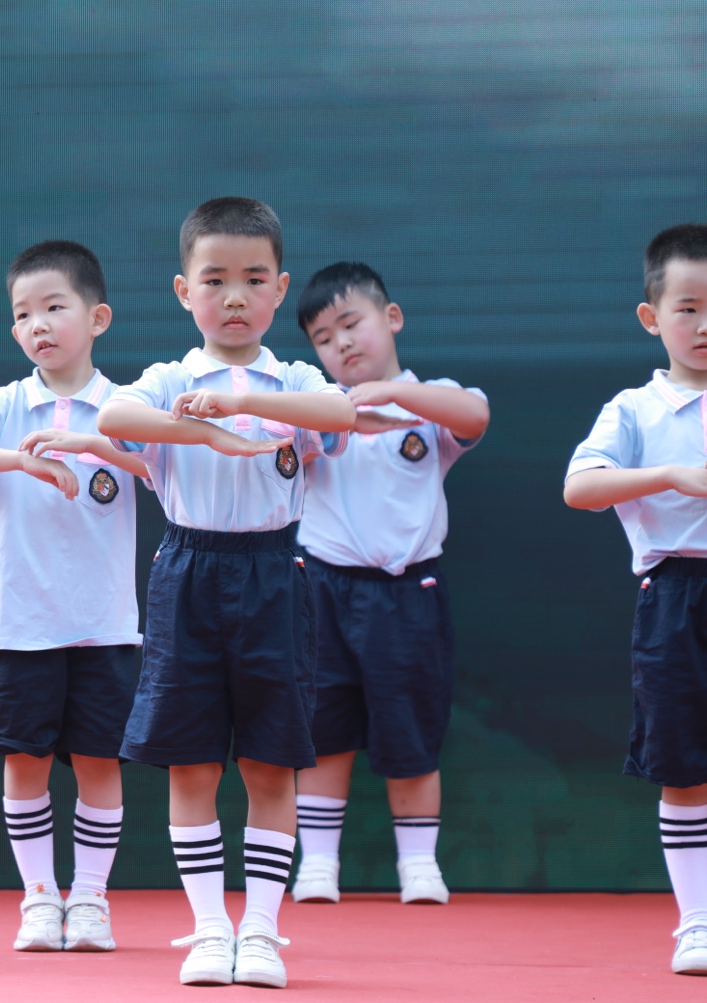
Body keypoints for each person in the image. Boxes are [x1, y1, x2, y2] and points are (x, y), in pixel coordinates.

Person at [97, 198, 355, 989]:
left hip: (276, 574)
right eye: (215, 280)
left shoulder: (295, 380)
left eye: (253, 279)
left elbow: (342, 412)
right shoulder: (170, 379)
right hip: (188, 573)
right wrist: (204, 430)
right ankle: (211, 928)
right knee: (192, 763)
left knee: (272, 763)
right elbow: (113, 415)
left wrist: (244, 403)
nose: (234, 297)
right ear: (185, 292)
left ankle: (263, 931)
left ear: (279, 289)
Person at [0, 241, 163, 953]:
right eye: (23, 314)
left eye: (54, 307)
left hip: (103, 625)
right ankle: (39, 898)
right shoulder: (6, 404)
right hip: (20, 623)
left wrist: (97, 447)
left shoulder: (125, 407)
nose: (37, 324)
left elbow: (159, 470)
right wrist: (20, 460)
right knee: (24, 761)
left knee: (99, 762)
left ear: (97, 318)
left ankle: (90, 899)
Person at [289, 262, 490, 906]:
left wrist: (391, 396)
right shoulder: (315, 408)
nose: (342, 343)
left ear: (392, 317)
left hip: (409, 594)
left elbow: (476, 415)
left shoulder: (431, 402)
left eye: (352, 324)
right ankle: (318, 864)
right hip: (321, 590)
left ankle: (419, 865)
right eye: (324, 338)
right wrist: (341, 412)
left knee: (412, 726)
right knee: (323, 730)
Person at [564, 223, 707, 977]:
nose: (704, 324)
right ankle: (697, 923)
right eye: (689, 308)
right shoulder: (634, 409)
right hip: (674, 597)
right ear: (652, 317)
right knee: (682, 765)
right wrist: (672, 475)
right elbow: (579, 488)